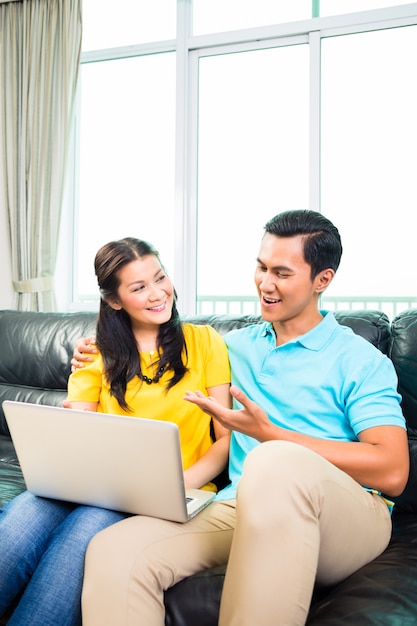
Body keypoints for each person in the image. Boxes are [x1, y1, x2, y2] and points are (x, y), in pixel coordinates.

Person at [75, 210, 409, 626]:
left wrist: (271, 435)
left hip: (349, 517)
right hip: (241, 505)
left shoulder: (359, 359)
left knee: (274, 461)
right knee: (115, 549)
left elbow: (393, 471)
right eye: (261, 267)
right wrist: (98, 352)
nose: (265, 284)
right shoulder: (232, 346)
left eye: (282, 273)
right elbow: (156, 355)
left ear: (322, 280)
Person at [0, 237, 231, 626]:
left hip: (174, 491)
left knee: (81, 537)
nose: (159, 294)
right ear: (114, 300)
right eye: (139, 287)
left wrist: (172, 488)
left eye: (161, 278)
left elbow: (225, 440)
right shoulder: (95, 354)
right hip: (93, 484)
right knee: (20, 522)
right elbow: (77, 435)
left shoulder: (205, 342)